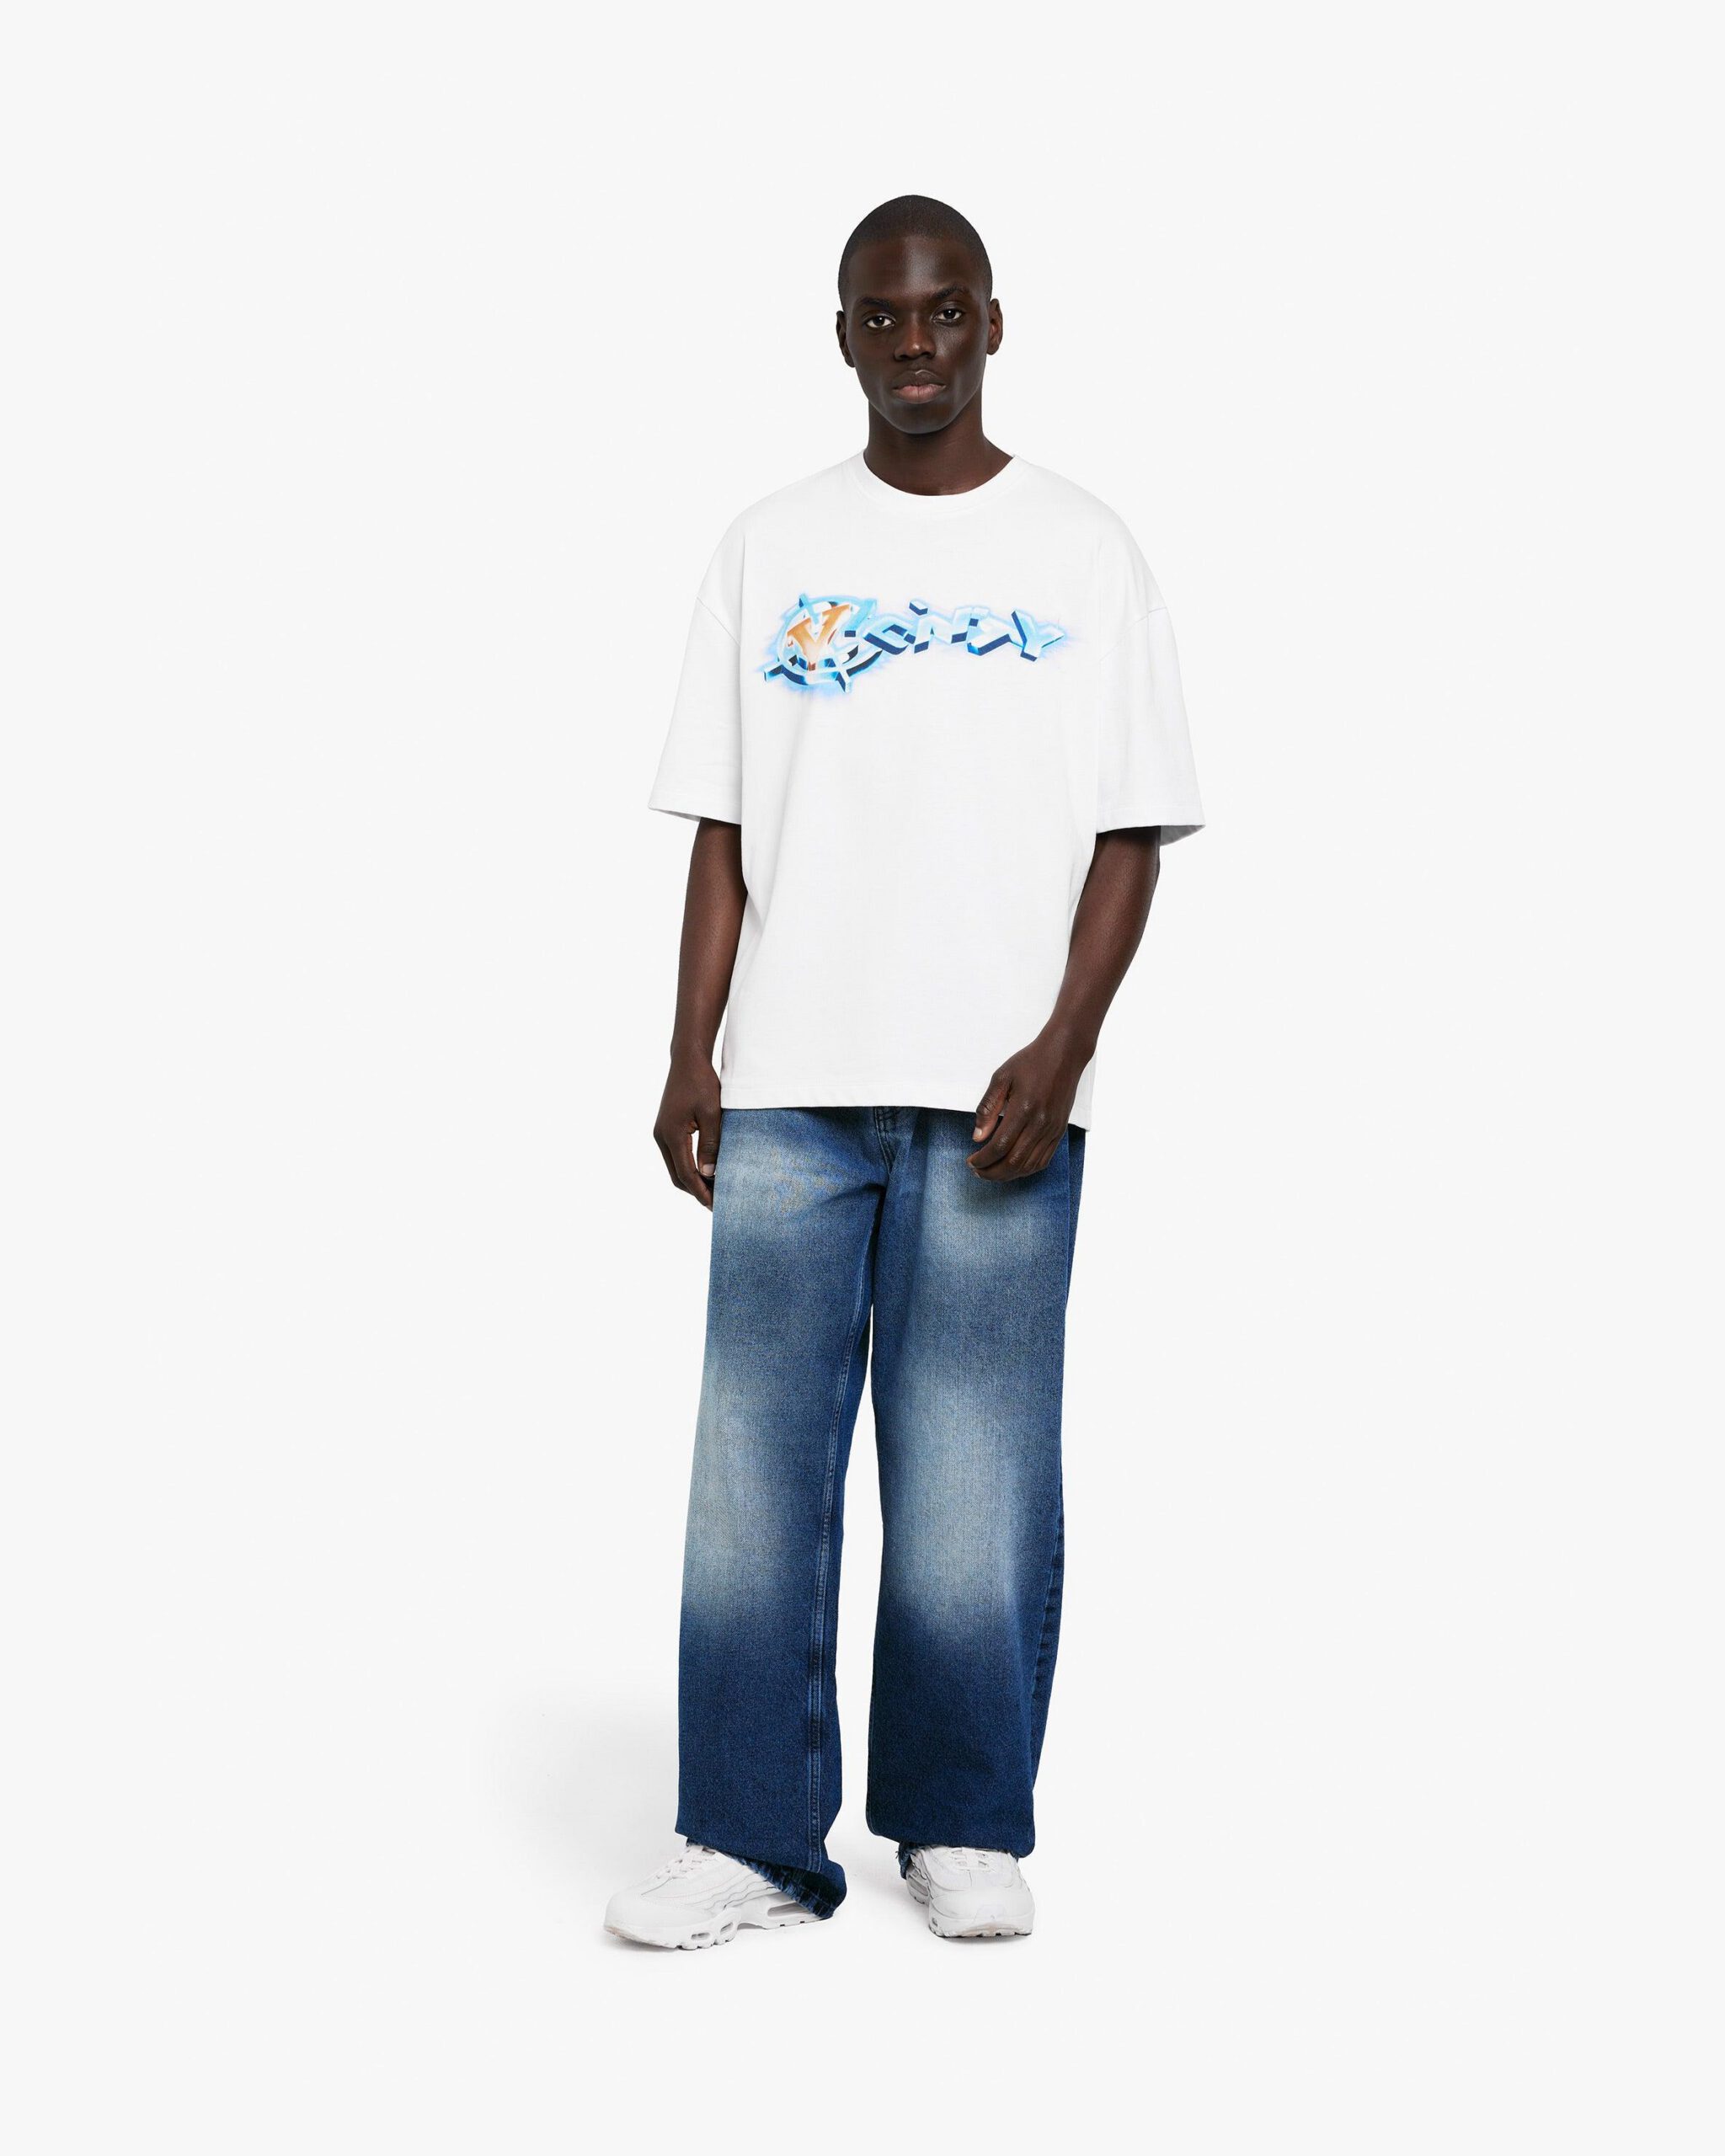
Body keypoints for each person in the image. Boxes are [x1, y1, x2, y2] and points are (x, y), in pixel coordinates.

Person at [605, 196, 1203, 1950]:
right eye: (885, 315)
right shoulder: (770, 545)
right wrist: (689, 1047)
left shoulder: (1085, 550)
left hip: (998, 1088)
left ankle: (959, 1823)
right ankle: (748, 1836)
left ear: (994, 323)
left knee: (974, 1471)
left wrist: (1064, 1043)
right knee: (752, 1475)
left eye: (946, 311)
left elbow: (1132, 831)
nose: (917, 342)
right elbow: (723, 826)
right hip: (793, 1077)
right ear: (845, 335)